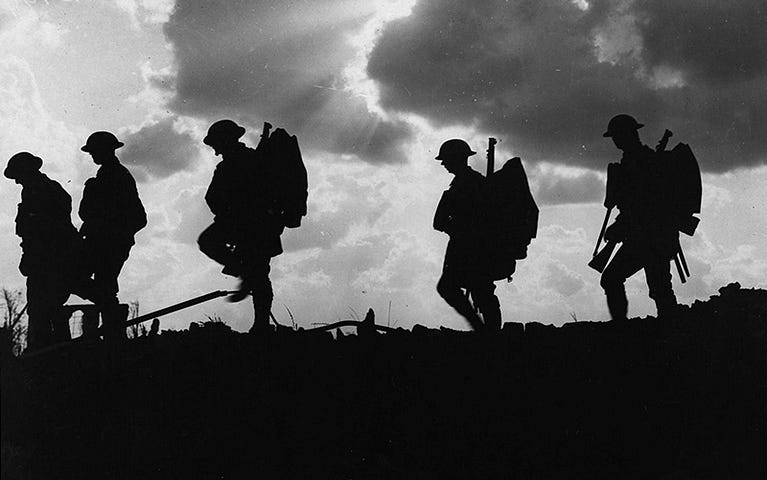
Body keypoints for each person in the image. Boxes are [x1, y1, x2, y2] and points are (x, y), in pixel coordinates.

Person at [198, 119, 284, 333]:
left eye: (216, 143)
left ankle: (261, 323)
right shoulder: (247, 160)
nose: (214, 148)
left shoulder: (241, 162)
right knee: (259, 274)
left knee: (257, 273)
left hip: (253, 226)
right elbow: (213, 198)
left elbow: (215, 198)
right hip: (253, 226)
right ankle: (260, 320)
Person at [599, 114, 679, 320]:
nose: (616, 140)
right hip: (650, 237)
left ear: (629, 134)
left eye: (618, 135)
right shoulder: (639, 160)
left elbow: (642, 205)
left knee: (654, 286)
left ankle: (626, 330)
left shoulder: (640, 161)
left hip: (649, 237)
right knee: (659, 287)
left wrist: (619, 227)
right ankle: (668, 329)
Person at [4, 152, 79, 350]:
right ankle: (49, 348)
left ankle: (46, 351)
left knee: (43, 307)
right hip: (45, 258)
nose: (17, 181)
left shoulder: (43, 190)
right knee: (44, 307)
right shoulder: (35, 190)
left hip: (51, 259)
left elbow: (43, 229)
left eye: (18, 175)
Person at [78, 131, 146, 338]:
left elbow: (136, 217)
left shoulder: (115, 176)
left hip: (110, 243)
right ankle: (112, 319)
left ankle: (113, 328)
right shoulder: (107, 176)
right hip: (105, 242)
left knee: (94, 282)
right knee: (96, 284)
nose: (92, 155)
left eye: (95, 151)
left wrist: (115, 236)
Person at [433, 139, 502, 331]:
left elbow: (478, 217)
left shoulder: (468, 183)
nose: (443, 163)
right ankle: (486, 331)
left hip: (469, 246)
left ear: (456, 159)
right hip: (469, 245)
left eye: (446, 159)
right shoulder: (470, 182)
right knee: (481, 290)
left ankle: (483, 330)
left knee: (471, 289)